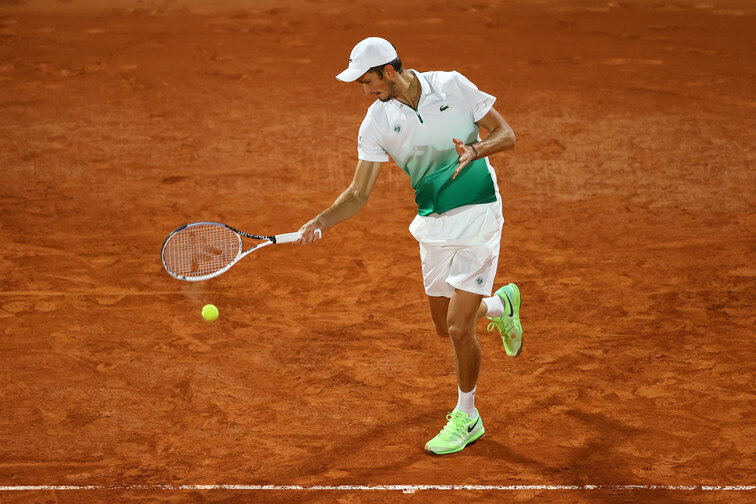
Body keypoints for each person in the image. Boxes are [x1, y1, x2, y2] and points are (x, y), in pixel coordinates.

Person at [297, 37, 523, 455]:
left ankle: (468, 416)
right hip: (432, 224)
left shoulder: (452, 86)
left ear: (388, 71)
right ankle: (501, 306)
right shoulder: (375, 123)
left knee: (459, 328)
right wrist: (320, 221)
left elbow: (506, 134)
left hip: (479, 215)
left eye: (368, 82)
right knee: (445, 325)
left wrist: (476, 149)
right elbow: (358, 193)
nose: (365, 92)